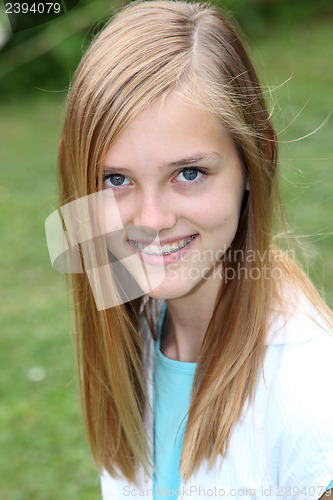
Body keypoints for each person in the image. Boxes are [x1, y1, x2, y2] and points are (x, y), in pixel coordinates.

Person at [55, 1, 333, 498]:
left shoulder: (311, 397)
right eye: (115, 179)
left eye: (189, 173)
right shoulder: (127, 300)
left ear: (256, 160)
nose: (151, 221)